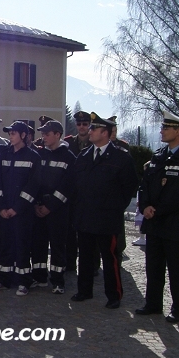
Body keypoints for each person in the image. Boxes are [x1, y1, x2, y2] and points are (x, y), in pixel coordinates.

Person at [135, 111, 179, 323]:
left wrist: (157, 209)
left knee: (175, 269)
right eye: (162, 127)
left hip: (175, 224)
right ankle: (153, 304)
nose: (162, 131)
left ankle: (178, 308)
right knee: (153, 267)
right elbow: (145, 184)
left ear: (178, 131)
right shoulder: (159, 155)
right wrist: (145, 206)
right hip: (154, 223)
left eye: (166, 128)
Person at [70, 112, 138, 309]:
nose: (89, 131)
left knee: (110, 258)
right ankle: (84, 290)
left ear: (105, 133)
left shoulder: (120, 158)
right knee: (84, 256)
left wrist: (115, 207)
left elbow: (129, 187)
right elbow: (75, 185)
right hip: (85, 216)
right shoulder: (83, 156)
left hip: (107, 218)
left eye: (93, 128)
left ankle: (114, 295)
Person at [0, 121, 41, 296]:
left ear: (23, 136)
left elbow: (33, 187)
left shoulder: (34, 157)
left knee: (22, 246)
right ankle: (3, 279)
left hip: (22, 213)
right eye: (9, 133)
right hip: (4, 211)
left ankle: (24, 282)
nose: (10, 136)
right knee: (5, 245)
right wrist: (1, 207)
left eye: (13, 133)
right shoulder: (4, 156)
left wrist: (17, 208)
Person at [31, 120, 75, 294]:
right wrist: (36, 203)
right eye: (42, 134)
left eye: (47, 134)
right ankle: (39, 277)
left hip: (58, 211)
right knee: (38, 244)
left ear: (58, 135)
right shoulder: (40, 155)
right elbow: (35, 181)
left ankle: (58, 281)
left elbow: (68, 187)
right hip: (39, 208)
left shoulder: (69, 157)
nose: (44, 137)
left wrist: (50, 206)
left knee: (57, 246)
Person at [64, 110, 93, 271]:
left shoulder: (95, 143)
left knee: (89, 232)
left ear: (89, 126)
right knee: (69, 232)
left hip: (87, 196)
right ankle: (70, 263)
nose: (82, 127)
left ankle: (92, 265)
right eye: (79, 124)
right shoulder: (69, 143)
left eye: (85, 124)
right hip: (71, 194)